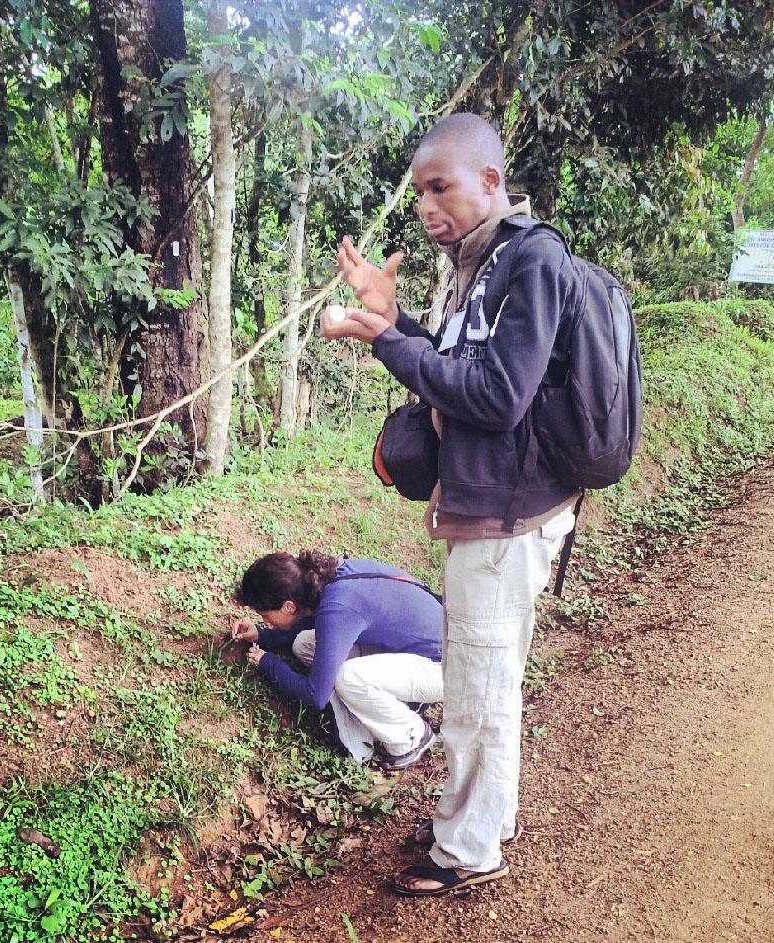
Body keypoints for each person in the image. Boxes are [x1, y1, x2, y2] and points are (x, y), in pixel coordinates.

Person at [321, 113, 581, 896]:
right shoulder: (479, 263)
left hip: (506, 514)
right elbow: (456, 366)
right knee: (490, 677)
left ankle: (467, 848)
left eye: (442, 187)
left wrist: (385, 345)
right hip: (490, 504)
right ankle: (484, 818)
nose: (427, 206)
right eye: (420, 193)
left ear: (491, 182)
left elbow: (498, 397)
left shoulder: (527, 261)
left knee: (475, 688)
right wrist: (394, 318)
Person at [232, 550, 443, 768]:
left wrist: (269, 664)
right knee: (304, 644)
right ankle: (402, 701)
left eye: (266, 616)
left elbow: (316, 694)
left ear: (289, 606)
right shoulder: (326, 582)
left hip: (449, 668)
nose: (265, 621)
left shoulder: (340, 606)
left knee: (348, 678)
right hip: (422, 646)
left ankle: (410, 738)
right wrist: (262, 635)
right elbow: (316, 622)